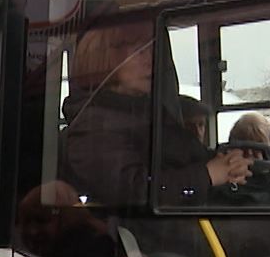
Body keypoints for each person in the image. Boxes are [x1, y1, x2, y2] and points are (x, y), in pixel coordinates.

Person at [60, 18, 251, 208]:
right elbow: (135, 193)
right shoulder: (91, 128)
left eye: (151, 50)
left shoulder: (150, 113)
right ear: (105, 60)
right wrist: (206, 175)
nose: (150, 60)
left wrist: (228, 164)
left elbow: (189, 154)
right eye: (139, 51)